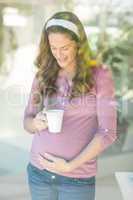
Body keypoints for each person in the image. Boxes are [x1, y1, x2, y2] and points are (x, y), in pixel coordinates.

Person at [24, 11, 117, 200]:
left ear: (79, 45)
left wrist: (69, 166)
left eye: (65, 48)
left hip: (77, 179)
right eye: (53, 47)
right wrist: (35, 123)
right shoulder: (43, 74)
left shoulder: (100, 75)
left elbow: (108, 133)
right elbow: (27, 121)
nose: (59, 54)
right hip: (39, 173)